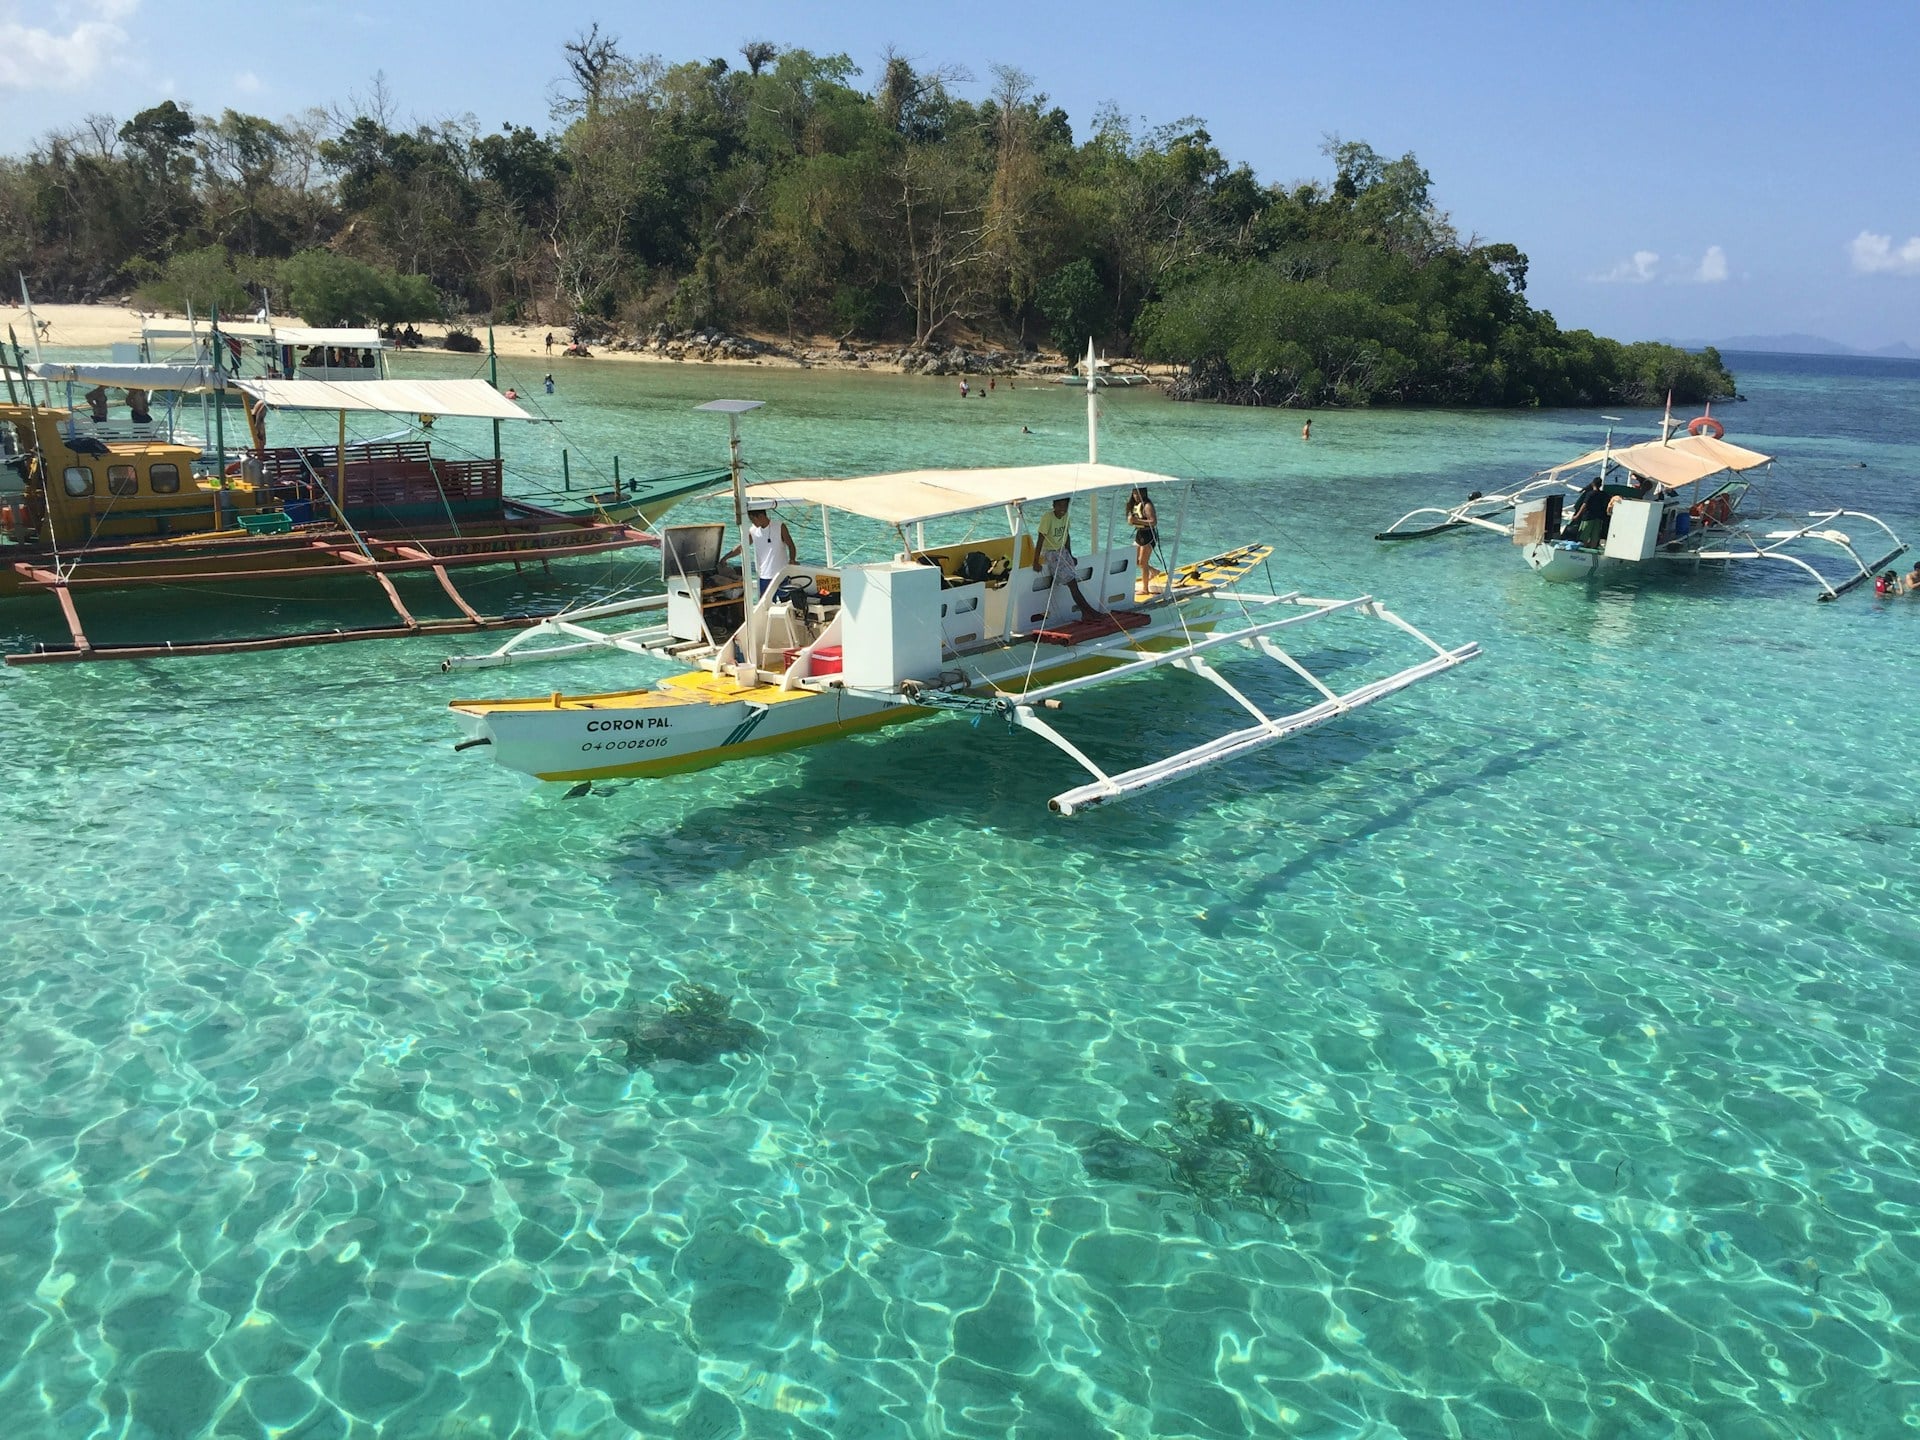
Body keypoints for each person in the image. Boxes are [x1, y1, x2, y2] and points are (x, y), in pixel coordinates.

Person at [1032, 496, 1097, 621]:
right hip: (1050, 552)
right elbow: (1040, 540)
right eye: (1060, 506)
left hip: (1061, 551)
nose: (1063, 509)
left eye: (1065, 506)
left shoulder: (1066, 516)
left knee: (1073, 580)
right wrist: (1035, 561)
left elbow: (1066, 536)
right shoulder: (1048, 517)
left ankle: (1088, 611)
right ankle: (1088, 612)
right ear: (1054, 506)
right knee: (1072, 583)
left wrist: (1070, 555)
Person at [722, 507, 798, 597]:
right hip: (764, 577)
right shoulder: (753, 530)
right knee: (765, 607)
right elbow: (741, 547)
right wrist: (726, 557)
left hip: (781, 575)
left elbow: (791, 545)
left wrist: (792, 559)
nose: (752, 522)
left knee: (786, 602)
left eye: (753, 519)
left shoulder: (779, 526)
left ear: (761, 516)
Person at [1127, 486, 1161, 593]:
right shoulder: (1135, 505)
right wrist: (1131, 521)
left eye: (1138, 493)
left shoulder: (1147, 506)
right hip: (1140, 534)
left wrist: (1137, 521)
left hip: (1148, 535)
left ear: (1144, 493)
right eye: (1134, 493)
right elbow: (1131, 521)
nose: (1136, 496)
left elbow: (1153, 522)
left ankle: (1145, 589)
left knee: (1143, 562)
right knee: (1134, 559)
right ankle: (1153, 571)